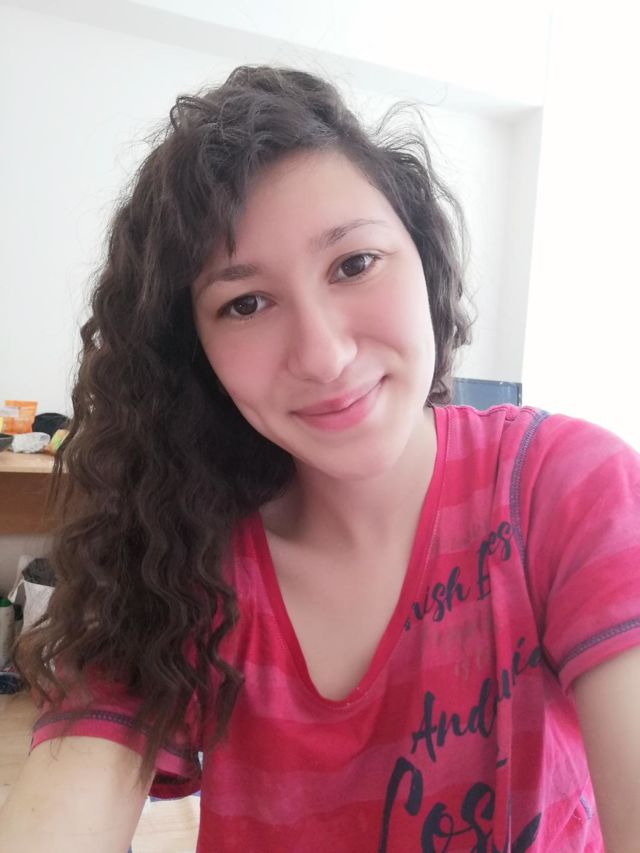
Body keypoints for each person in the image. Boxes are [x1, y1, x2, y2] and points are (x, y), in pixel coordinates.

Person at [1, 65, 639, 853]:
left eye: (355, 263)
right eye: (245, 303)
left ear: (423, 253)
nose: (325, 355)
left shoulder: (568, 487)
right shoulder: (179, 555)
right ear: (194, 355)